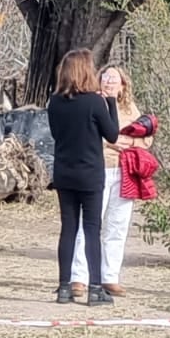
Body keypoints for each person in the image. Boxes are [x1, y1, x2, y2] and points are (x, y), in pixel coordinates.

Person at [46, 48, 120, 306]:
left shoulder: (54, 102)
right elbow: (112, 134)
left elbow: (56, 135)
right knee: (91, 230)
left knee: (68, 228)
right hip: (90, 174)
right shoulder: (94, 102)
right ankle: (95, 288)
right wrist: (111, 102)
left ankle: (64, 287)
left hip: (65, 172)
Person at [71, 65, 152, 298]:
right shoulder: (92, 104)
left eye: (114, 79)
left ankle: (110, 277)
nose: (108, 82)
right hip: (98, 169)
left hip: (125, 171)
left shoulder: (129, 108)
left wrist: (128, 143)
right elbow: (85, 134)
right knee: (89, 223)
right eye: (105, 77)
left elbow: (146, 138)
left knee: (118, 225)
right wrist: (109, 143)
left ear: (123, 85)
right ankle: (79, 277)